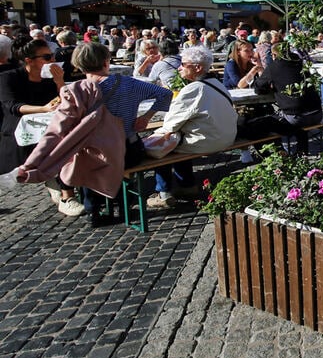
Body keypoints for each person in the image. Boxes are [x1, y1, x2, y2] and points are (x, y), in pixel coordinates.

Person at [16, 43, 172, 226]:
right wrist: (146, 116)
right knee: (109, 156)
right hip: (128, 150)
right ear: (107, 62)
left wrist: (31, 163)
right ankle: (124, 207)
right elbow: (165, 94)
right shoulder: (128, 84)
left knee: (81, 157)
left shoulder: (74, 91)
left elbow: (57, 130)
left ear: (79, 65)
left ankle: (93, 211)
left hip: (92, 154)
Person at [149, 47, 237, 208]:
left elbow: (171, 123)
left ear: (197, 68)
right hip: (226, 136)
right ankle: (187, 185)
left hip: (210, 140)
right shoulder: (217, 83)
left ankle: (163, 192)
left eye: (183, 64)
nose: (179, 68)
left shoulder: (193, 89)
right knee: (180, 139)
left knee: (162, 143)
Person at [0, 37, 78, 215]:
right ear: (29, 61)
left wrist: (59, 81)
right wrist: (42, 109)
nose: (52, 60)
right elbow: (12, 106)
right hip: (20, 128)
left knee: (72, 140)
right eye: (47, 57)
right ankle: (62, 188)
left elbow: (65, 100)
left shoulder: (49, 77)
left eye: (51, 56)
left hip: (51, 124)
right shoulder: (8, 78)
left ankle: (67, 190)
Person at [251, 43, 323, 154]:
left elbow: (258, 88)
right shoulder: (300, 64)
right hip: (317, 114)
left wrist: (272, 87)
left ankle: (279, 153)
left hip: (296, 117)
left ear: (274, 55)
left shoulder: (274, 67)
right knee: (298, 121)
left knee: (265, 123)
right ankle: (301, 152)